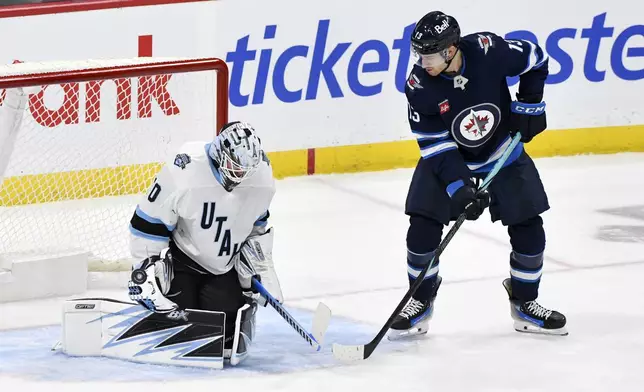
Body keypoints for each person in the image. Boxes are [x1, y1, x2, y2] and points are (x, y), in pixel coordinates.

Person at [390, 11, 567, 338]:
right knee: (422, 226)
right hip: (449, 159)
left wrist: (531, 103)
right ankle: (420, 302)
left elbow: (536, 58)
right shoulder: (419, 85)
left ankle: (526, 304)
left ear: (451, 48)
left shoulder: (489, 50)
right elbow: (435, 146)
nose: (422, 62)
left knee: (529, 224)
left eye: (429, 54)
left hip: (503, 153)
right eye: (419, 54)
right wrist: (459, 188)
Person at [126, 121, 283, 362]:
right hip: (182, 261)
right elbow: (147, 224)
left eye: (245, 170)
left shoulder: (261, 178)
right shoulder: (185, 170)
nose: (240, 175)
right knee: (178, 325)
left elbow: (256, 228)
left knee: (225, 335)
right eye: (234, 166)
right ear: (220, 153)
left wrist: (258, 271)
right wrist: (145, 271)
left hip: (224, 267)